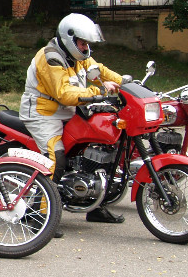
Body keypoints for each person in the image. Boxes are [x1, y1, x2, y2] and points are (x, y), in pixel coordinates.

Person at [19, 13, 125, 224]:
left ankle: (95, 206)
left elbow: (100, 71)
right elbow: (64, 93)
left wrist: (127, 85)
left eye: (87, 44)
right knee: (56, 159)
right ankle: (38, 215)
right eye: (83, 43)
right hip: (42, 114)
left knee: (98, 150)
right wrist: (100, 91)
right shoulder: (50, 57)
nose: (86, 48)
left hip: (68, 112)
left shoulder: (78, 56)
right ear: (70, 38)